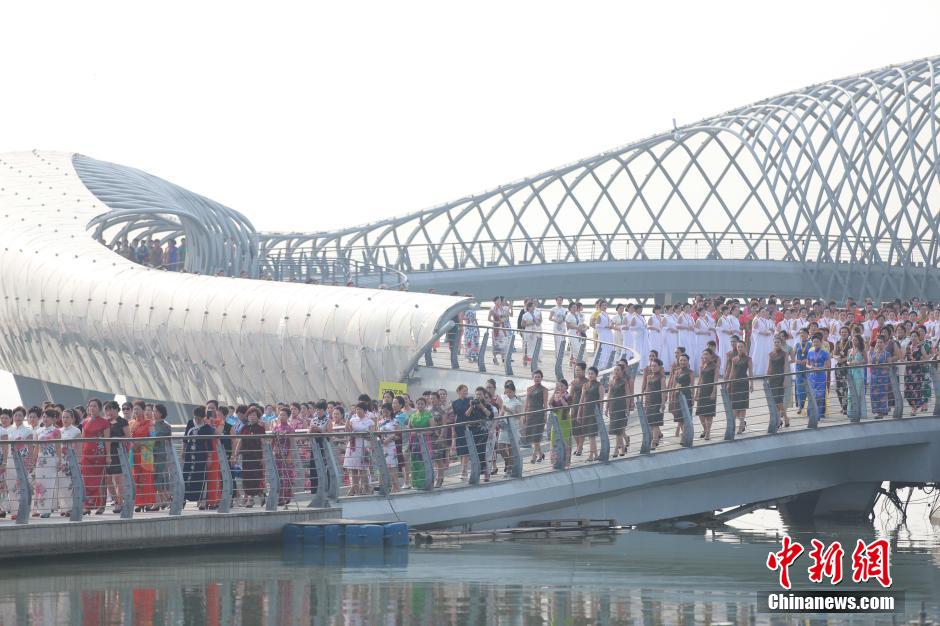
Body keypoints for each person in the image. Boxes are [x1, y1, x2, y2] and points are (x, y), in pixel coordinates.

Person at [80, 399, 110, 515]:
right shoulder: (85, 422)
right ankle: (87, 506)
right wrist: (81, 453)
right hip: (86, 454)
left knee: (99, 480)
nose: (92, 408)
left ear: (99, 408)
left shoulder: (104, 422)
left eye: (94, 406)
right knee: (87, 481)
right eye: (90, 406)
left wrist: (108, 455)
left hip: (99, 454)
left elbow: (107, 440)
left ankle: (101, 505)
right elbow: (83, 439)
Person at [231, 408, 266, 507]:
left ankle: (254, 496)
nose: (252, 417)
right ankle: (254, 497)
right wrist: (235, 455)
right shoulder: (244, 428)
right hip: (246, 457)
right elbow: (240, 442)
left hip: (256, 456)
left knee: (256, 477)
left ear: (258, 417)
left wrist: (263, 456)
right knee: (246, 478)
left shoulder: (260, 429)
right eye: (250, 415)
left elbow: (263, 443)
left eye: (254, 415)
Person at [31, 409, 61, 518]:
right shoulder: (38, 431)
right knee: (39, 485)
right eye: (43, 417)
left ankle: (47, 510)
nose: (45, 419)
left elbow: (58, 448)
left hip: (51, 460)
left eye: (47, 417)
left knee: (49, 485)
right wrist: (32, 461)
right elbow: (36, 448)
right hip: (40, 461)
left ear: (53, 419)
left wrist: (59, 461)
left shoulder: (56, 431)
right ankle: (40, 509)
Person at [104, 400, 130, 514]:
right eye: (107, 409)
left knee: (118, 479)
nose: (109, 412)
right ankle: (115, 500)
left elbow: (128, 436)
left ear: (116, 409)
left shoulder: (122, 421)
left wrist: (117, 439)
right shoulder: (106, 422)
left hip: (118, 451)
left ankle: (120, 502)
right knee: (108, 479)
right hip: (107, 451)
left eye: (111, 409)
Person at [343, 403, 374, 496]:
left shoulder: (369, 421)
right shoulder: (353, 420)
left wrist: (365, 435)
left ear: (365, 411)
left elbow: (372, 434)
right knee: (353, 468)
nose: (358, 411)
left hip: (363, 445)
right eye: (357, 409)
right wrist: (348, 418)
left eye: (360, 409)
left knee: (363, 468)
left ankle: (366, 487)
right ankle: (356, 489)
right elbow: (347, 430)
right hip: (353, 446)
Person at [131, 404, 157, 512]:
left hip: (146, 455)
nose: (136, 411)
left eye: (138, 409)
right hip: (133, 455)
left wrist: (140, 443)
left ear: (143, 411)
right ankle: (139, 503)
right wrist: (132, 444)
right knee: (136, 479)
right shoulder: (131, 424)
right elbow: (128, 438)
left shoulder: (150, 423)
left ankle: (149, 503)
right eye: (134, 409)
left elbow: (153, 439)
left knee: (147, 479)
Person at [57, 409, 82, 516]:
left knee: (70, 484)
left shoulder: (76, 431)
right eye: (63, 417)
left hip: (71, 460)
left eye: (67, 417)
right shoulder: (58, 431)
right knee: (62, 484)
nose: (65, 419)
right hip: (61, 460)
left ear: (72, 418)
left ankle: (71, 508)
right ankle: (64, 508)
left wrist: (78, 460)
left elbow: (79, 447)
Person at [496, 381, 522, 475]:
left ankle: (510, 467)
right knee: (500, 447)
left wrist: (509, 410)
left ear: (514, 391)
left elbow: (518, 416)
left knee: (511, 448)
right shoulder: (505, 400)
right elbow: (502, 412)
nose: (508, 394)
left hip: (512, 425)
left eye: (510, 392)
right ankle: (508, 462)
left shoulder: (517, 402)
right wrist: (498, 420)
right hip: (504, 425)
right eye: (507, 392)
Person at [577, 366, 603, 462]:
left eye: (592, 373)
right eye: (589, 373)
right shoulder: (585, 385)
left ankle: (591, 455)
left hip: (594, 412)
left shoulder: (599, 385)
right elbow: (581, 400)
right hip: (586, 412)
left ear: (596, 375)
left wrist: (600, 413)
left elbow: (601, 400)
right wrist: (579, 413)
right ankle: (596, 454)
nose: (590, 375)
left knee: (592, 435)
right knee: (589, 435)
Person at [407, 397, 434, 488]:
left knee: (425, 460)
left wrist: (421, 433)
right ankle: (416, 483)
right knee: (415, 460)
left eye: (422, 404)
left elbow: (432, 429)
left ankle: (425, 482)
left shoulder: (428, 414)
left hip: (425, 440)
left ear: (425, 405)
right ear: (416, 405)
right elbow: (409, 428)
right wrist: (413, 433)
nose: (420, 405)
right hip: (415, 441)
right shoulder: (413, 415)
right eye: (418, 404)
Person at [524, 370, 549, 463]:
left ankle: (534, 456)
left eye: (539, 377)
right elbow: (526, 403)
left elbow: (545, 404)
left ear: (541, 378)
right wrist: (525, 415)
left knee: (536, 435)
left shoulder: (544, 389)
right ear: (533, 378)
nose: (537, 378)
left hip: (539, 413)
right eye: (535, 377)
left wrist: (545, 415)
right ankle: (541, 454)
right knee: (532, 435)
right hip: (530, 413)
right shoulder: (529, 389)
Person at [728, 341, 753, 434]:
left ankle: (740, 425)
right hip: (735, 384)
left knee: (742, 406)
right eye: (738, 347)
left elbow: (750, 372)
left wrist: (752, 384)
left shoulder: (748, 359)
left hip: (744, 383)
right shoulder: (734, 359)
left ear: (745, 348)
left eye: (741, 347)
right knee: (734, 406)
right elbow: (731, 372)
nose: (740, 348)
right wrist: (728, 383)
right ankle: (735, 426)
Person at [151, 404, 172, 510]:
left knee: (158, 478)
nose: (153, 413)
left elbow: (161, 439)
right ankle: (162, 501)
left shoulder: (165, 426)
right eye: (153, 411)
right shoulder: (151, 424)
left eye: (155, 411)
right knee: (155, 478)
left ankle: (167, 500)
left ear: (161, 413)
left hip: (161, 455)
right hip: (151, 455)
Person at [272, 408, 295, 506]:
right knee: (278, 476)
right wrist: (272, 451)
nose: (281, 417)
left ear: (288, 416)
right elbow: (273, 441)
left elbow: (292, 443)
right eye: (280, 415)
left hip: (285, 454)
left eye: (284, 415)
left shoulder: (290, 429)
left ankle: (285, 497)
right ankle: (279, 497)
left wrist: (290, 455)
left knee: (286, 476)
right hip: (277, 454)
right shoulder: (276, 427)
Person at [606, 362, 630, 456]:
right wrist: (607, 407)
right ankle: (623, 448)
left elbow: (628, 395)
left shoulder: (624, 381)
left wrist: (627, 408)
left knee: (619, 429)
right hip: (613, 406)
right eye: (615, 370)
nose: (616, 372)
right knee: (616, 429)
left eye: (618, 370)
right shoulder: (612, 380)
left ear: (622, 371)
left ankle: (616, 449)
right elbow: (609, 394)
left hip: (621, 406)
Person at [767, 337, 791, 427]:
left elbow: (785, 366)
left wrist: (785, 379)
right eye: (775, 342)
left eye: (778, 342)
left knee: (779, 401)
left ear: (781, 343)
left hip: (781, 378)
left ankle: (785, 418)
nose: (776, 344)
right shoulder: (770, 354)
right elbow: (769, 367)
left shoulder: (784, 354)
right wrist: (767, 378)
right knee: (774, 401)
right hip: (772, 379)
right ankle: (779, 420)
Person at [806, 333, 831, 418]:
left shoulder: (825, 353)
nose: (815, 343)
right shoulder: (810, 352)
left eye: (817, 342)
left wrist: (819, 369)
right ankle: (811, 413)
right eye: (814, 342)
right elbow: (807, 364)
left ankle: (819, 413)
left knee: (820, 395)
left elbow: (827, 366)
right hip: (811, 376)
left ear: (821, 342)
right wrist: (811, 367)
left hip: (821, 376)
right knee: (811, 394)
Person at [695, 349, 718, 439]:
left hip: (710, 391)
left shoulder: (715, 366)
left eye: (707, 354)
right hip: (702, 391)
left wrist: (713, 392)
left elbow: (716, 380)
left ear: (711, 356)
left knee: (709, 414)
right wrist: (697, 392)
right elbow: (700, 380)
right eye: (704, 354)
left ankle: (708, 432)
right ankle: (705, 429)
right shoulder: (702, 366)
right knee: (700, 413)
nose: (705, 356)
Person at [669, 354, 693, 438]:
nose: (682, 362)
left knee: (685, 416)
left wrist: (692, 397)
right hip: (677, 395)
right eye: (681, 360)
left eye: (684, 360)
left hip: (686, 395)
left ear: (688, 361)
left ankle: (685, 435)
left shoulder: (690, 372)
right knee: (679, 416)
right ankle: (684, 434)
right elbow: (674, 384)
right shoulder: (676, 371)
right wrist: (672, 396)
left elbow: (692, 386)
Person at [377, 404, 401, 492]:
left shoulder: (395, 421)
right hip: (382, 446)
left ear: (391, 411)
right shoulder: (380, 422)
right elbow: (378, 434)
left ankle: (396, 486)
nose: (385, 413)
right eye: (383, 411)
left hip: (391, 446)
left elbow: (399, 435)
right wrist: (381, 439)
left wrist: (390, 438)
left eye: (387, 411)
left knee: (391, 467)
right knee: (382, 466)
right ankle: (382, 486)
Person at [643, 358, 665, 448]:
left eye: (655, 366)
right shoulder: (648, 377)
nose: (653, 367)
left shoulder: (662, 377)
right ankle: (655, 438)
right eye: (652, 366)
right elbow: (647, 390)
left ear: (659, 367)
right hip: (649, 402)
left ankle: (654, 441)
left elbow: (663, 390)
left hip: (657, 402)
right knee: (650, 422)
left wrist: (663, 403)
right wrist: (645, 401)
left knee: (655, 423)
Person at [749, 308, 775, 376]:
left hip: (766, 340)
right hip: (760, 339)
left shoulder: (765, 320)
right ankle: (756, 371)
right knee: (759, 353)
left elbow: (767, 329)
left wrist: (769, 331)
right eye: (762, 312)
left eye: (764, 312)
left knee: (765, 353)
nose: (764, 313)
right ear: (759, 313)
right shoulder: (757, 320)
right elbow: (754, 330)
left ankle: (765, 370)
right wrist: (763, 333)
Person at [847, 335, 867, 417]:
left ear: (859, 341)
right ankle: (851, 412)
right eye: (853, 340)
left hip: (859, 372)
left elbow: (866, 361)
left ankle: (859, 411)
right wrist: (849, 363)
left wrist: (857, 363)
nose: (854, 341)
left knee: (858, 392)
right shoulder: (850, 350)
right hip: (851, 372)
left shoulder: (862, 350)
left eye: (856, 340)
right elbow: (848, 361)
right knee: (850, 392)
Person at [793, 328, 811, 414]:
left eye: (804, 333)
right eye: (800, 333)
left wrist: (807, 360)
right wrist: (797, 361)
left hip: (808, 367)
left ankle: (809, 406)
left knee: (808, 385)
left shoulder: (811, 344)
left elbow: (813, 355)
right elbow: (792, 357)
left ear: (808, 334)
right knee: (799, 387)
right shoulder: (797, 344)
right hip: (799, 367)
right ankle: (800, 406)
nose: (802, 335)